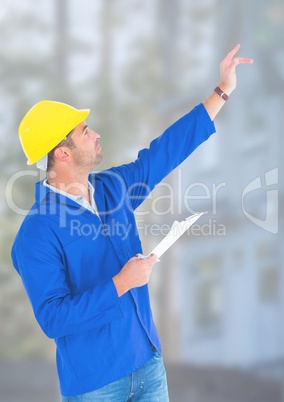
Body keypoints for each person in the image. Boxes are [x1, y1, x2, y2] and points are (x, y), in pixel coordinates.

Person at [11, 44, 253, 401]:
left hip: (149, 367)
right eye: (85, 132)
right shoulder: (35, 234)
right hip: (96, 386)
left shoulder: (112, 188)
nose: (96, 135)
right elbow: (54, 318)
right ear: (62, 154)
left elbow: (163, 153)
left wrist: (221, 92)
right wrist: (121, 282)